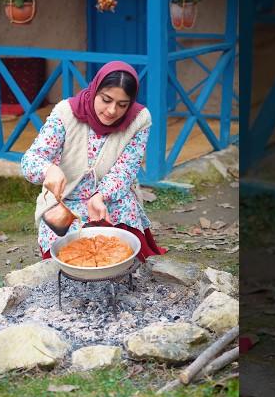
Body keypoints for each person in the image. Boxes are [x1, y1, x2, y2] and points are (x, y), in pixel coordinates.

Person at [21, 61, 166, 261]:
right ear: (95, 89)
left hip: (111, 197)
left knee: (125, 248)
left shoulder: (139, 120)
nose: (112, 111)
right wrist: (48, 169)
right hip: (67, 201)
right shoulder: (65, 114)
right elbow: (31, 160)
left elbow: (125, 170)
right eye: (106, 99)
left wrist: (101, 196)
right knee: (65, 252)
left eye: (122, 104)